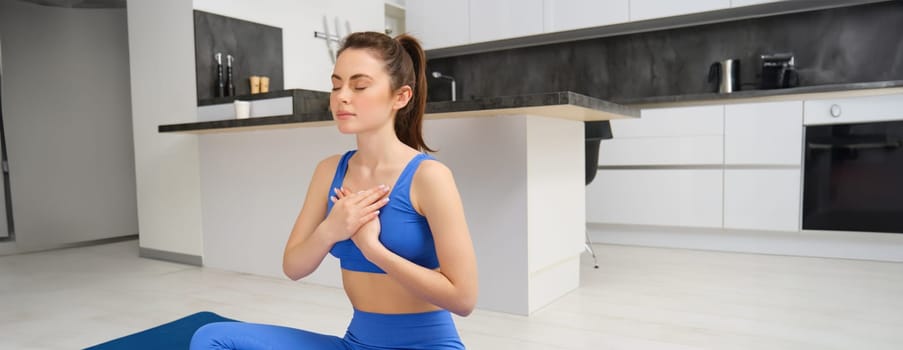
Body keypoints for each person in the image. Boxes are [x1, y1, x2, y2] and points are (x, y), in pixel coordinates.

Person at [189, 31, 478, 350]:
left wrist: (373, 250)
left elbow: (463, 298)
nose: (342, 96)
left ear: (401, 97)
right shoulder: (329, 171)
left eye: (360, 85)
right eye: (336, 84)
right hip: (356, 344)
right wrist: (332, 229)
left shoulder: (429, 177)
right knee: (211, 338)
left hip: (426, 345)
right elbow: (294, 267)